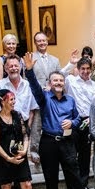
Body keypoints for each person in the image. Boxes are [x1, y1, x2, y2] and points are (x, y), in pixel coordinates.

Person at [23, 52, 93, 189]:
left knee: (74, 178)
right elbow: (34, 87)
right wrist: (30, 70)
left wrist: (73, 122)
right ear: (49, 84)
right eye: (55, 81)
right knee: (50, 179)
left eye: (61, 81)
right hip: (48, 143)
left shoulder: (70, 100)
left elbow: (78, 118)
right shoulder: (44, 98)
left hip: (67, 143)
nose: (58, 83)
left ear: (64, 83)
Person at [0, 54, 38, 189]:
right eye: (10, 66)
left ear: (21, 67)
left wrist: (26, 130)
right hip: (3, 128)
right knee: (1, 165)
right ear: (5, 68)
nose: (14, 68)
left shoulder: (28, 85)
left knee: (19, 160)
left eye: (16, 65)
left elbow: (31, 110)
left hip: (21, 129)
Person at [63, 54, 95, 189]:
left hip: (88, 121)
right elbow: (58, 75)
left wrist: (93, 119)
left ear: (91, 70)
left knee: (85, 155)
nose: (85, 71)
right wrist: (70, 63)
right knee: (71, 155)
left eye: (88, 69)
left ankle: (83, 184)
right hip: (73, 121)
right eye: (83, 69)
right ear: (78, 69)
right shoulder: (70, 81)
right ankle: (73, 185)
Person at [29, 31, 61, 164]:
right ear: (35, 43)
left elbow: (59, 76)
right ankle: (34, 150)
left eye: (44, 40)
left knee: (53, 121)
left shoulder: (55, 60)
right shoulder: (31, 57)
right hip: (38, 96)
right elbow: (28, 77)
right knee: (37, 123)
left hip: (52, 96)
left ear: (47, 42)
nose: (42, 43)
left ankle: (54, 147)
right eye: (38, 41)